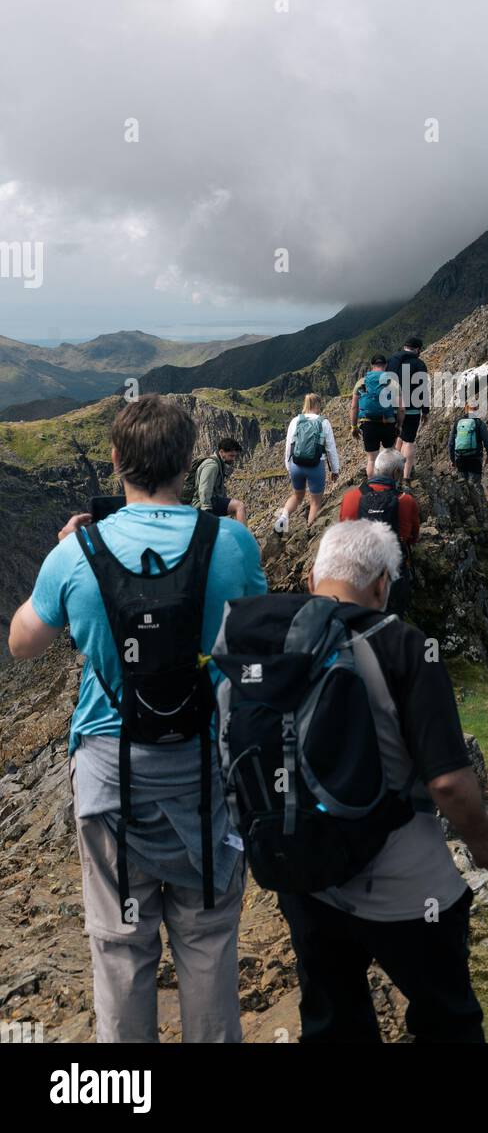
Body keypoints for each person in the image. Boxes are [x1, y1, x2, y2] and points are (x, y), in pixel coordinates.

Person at [7, 395, 268, 1043]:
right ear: (188, 460)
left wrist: (66, 557)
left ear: (116, 459)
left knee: (122, 948)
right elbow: (257, 637)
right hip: (200, 770)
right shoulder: (229, 543)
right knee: (207, 940)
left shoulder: (80, 551)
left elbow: (22, 643)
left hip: (107, 775)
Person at [276, 520, 488, 1043]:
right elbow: (447, 783)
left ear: (314, 577)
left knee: (333, 1021)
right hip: (401, 881)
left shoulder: (270, 638)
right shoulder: (405, 645)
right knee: (448, 1019)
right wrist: (487, 837)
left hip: (304, 870)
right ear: (383, 584)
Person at [339, 448, 420, 614]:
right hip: (391, 574)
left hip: (357, 573)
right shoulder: (406, 501)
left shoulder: (350, 497)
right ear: (397, 473)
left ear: (376, 468)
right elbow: (412, 538)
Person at [274, 393, 340, 532]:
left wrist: (289, 466)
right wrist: (335, 470)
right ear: (317, 405)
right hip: (315, 465)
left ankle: (283, 518)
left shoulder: (295, 420)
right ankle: (309, 532)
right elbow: (330, 449)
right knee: (315, 501)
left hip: (296, 465)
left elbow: (289, 445)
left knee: (297, 495)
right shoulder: (323, 422)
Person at [386, 337, 430, 484]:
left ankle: (393, 472)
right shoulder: (419, 364)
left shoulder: (392, 361)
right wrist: (425, 410)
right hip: (411, 408)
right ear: (417, 349)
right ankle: (406, 477)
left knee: (399, 437)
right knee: (409, 441)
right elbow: (423, 389)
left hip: (392, 408)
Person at [351, 354, 399, 478]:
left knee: (372, 460)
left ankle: (373, 489)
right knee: (390, 456)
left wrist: (353, 426)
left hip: (368, 423)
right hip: (388, 423)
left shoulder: (361, 382)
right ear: (386, 365)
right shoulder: (392, 382)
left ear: (372, 366)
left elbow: (354, 407)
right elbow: (402, 408)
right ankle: (390, 487)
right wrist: (399, 424)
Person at [187, 437, 247, 524]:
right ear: (221, 452)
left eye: (234, 456)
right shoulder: (212, 465)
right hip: (202, 504)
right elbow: (204, 488)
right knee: (239, 506)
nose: (233, 459)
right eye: (231, 456)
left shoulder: (218, 463)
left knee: (233, 511)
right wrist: (206, 510)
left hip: (211, 501)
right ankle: (243, 536)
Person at [448, 401, 488, 483]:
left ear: (466, 409)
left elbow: (451, 443)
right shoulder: (479, 423)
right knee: (475, 486)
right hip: (475, 458)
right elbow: (487, 442)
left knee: (463, 486)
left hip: (460, 458)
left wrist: (452, 460)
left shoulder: (458, 423)